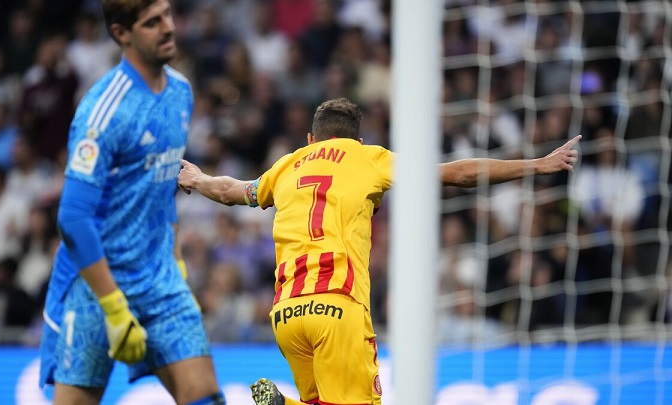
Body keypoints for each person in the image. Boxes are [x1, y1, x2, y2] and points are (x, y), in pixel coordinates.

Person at [177, 97, 580, 405]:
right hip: (337, 307)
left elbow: (232, 191)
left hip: (286, 313)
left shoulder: (285, 166)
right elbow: (459, 173)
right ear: (359, 139)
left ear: (310, 139)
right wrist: (537, 164)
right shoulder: (370, 158)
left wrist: (197, 178)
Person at [38, 1, 225, 404]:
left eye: (168, 15)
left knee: (206, 397)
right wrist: (113, 304)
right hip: (96, 285)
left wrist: (175, 261)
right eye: (152, 22)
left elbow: (161, 188)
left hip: (159, 279)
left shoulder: (181, 93)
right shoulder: (103, 111)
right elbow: (72, 218)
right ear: (122, 33)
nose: (168, 28)